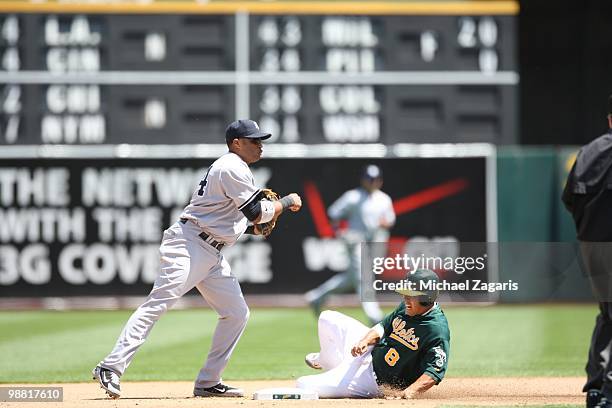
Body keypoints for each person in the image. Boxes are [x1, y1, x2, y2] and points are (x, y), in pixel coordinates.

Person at [92, 119, 302, 399]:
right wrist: (285, 203)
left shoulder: (236, 168)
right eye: (254, 141)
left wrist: (254, 227)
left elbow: (238, 220)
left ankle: (208, 381)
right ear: (236, 143)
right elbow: (255, 211)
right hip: (188, 245)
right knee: (158, 304)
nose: (260, 145)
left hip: (209, 251)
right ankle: (111, 366)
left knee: (237, 313)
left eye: (260, 140)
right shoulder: (231, 165)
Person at [297, 269, 450, 399]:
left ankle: (338, 372)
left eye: (411, 295)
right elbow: (383, 326)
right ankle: (329, 361)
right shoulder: (407, 306)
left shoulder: (436, 330)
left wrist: (409, 392)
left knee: (303, 384)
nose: (405, 298)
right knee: (326, 318)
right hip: (369, 353)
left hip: (371, 380)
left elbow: (434, 371)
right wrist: (365, 341)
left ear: (426, 298)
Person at [563, 96, 612, 408]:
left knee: (608, 313)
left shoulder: (590, 151)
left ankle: (596, 388)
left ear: (609, 119)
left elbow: (569, 198)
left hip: (591, 245)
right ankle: (607, 391)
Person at [305, 164, 396, 325]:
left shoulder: (384, 198)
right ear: (363, 180)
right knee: (363, 278)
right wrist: (338, 230)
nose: (372, 182)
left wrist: (385, 223)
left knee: (350, 279)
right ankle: (374, 316)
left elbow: (390, 220)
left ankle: (316, 297)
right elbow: (334, 212)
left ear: (380, 181)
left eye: (375, 179)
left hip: (374, 243)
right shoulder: (353, 196)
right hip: (355, 241)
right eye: (369, 179)